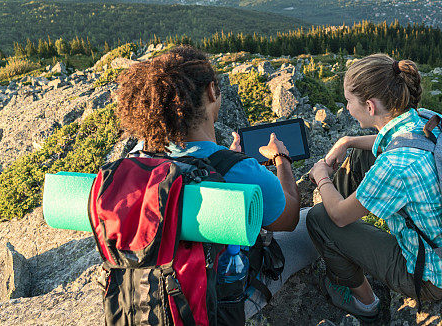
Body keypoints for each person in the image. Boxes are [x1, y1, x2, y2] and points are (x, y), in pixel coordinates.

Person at [115, 45, 317, 322]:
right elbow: (288, 219)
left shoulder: (136, 157)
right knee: (313, 221)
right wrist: (281, 159)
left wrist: (226, 159)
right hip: (214, 303)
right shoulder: (239, 170)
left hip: (144, 295)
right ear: (212, 91)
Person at [306, 53, 442, 321]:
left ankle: (366, 304)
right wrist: (347, 141)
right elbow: (393, 139)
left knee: (321, 218)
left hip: (432, 278)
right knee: (362, 154)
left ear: (369, 107)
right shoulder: (428, 119)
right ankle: (338, 236)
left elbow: (338, 215)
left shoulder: (395, 165)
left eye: (349, 101)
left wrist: (322, 176)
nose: (347, 108)